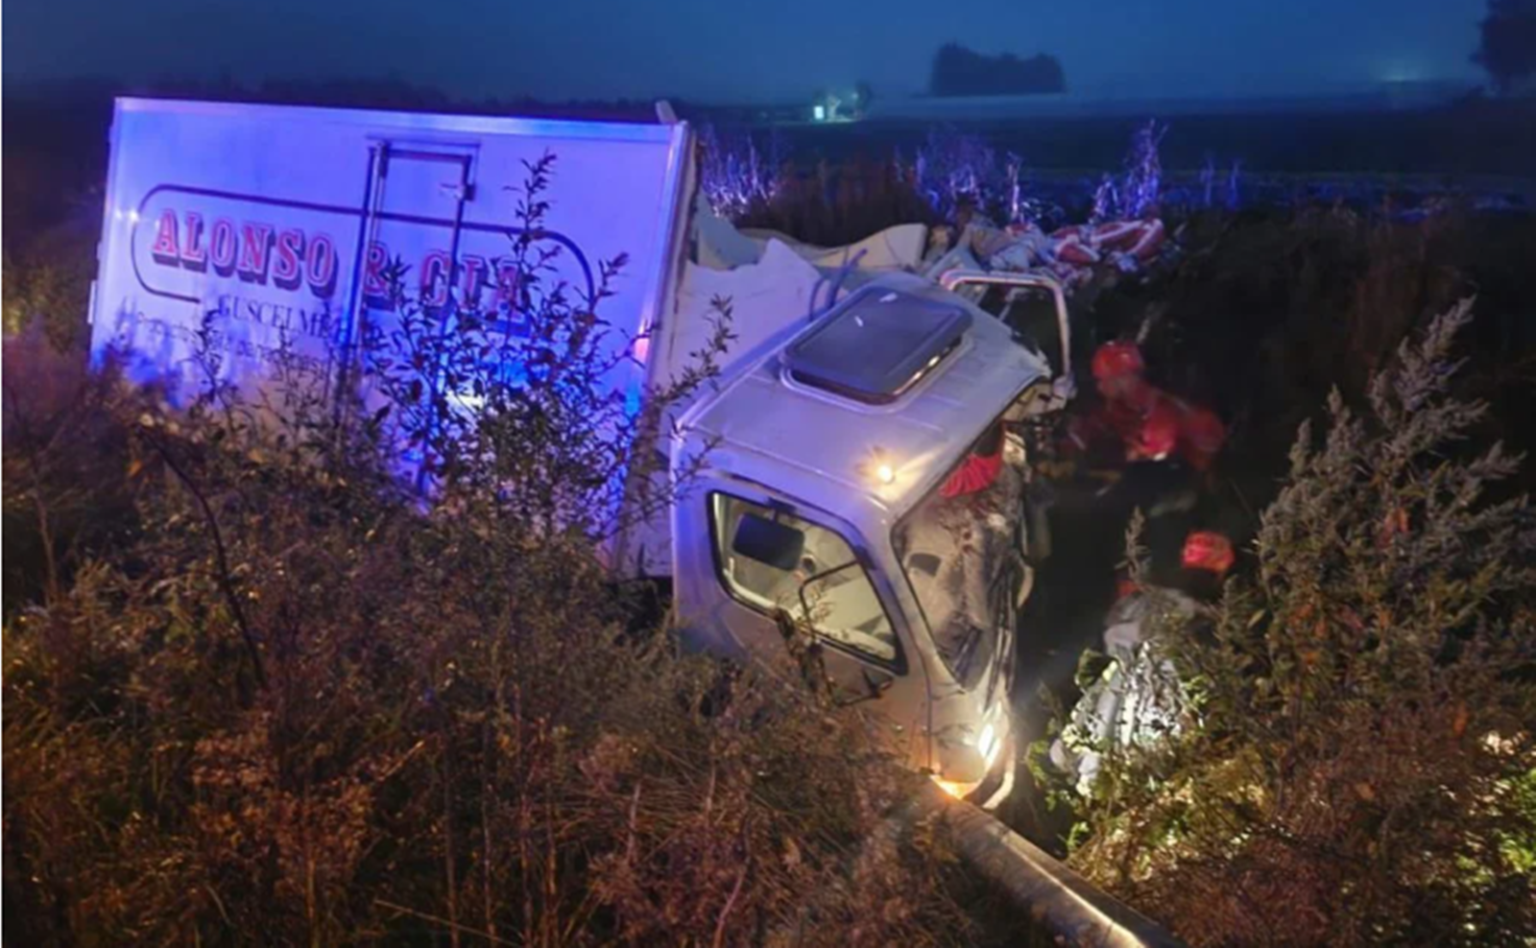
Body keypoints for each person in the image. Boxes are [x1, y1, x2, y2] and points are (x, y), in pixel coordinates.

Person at [1049, 528, 1235, 796]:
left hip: (1117, 688)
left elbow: (1110, 636)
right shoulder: (1203, 620)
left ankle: (1091, 783)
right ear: (1220, 573)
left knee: (1099, 740)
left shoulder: (1147, 600)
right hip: (1156, 701)